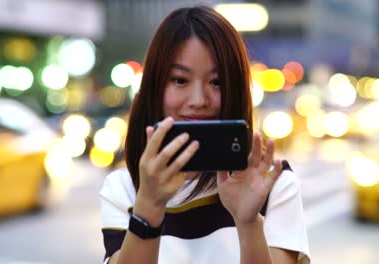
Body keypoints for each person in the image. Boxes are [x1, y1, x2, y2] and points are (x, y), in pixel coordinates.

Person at [99, 6, 310, 264]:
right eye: (180, 80)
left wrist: (248, 223)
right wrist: (149, 207)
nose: (198, 100)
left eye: (216, 82)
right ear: (155, 87)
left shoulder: (271, 184)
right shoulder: (124, 187)